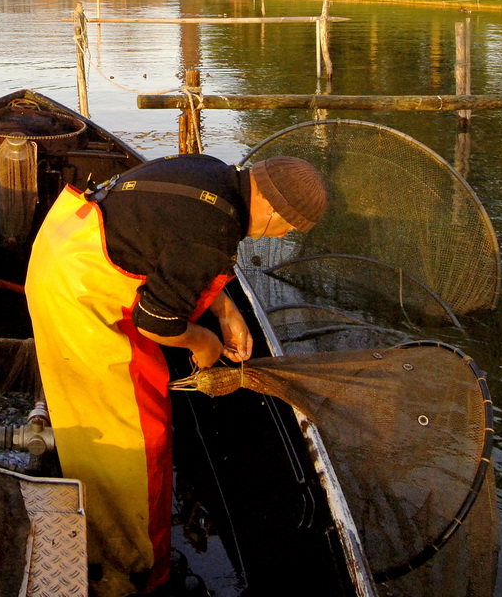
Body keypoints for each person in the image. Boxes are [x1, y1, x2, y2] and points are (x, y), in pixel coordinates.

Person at [25, 152, 327, 596]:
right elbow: (155, 321)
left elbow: (173, 239)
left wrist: (225, 311)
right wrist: (201, 341)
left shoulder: (215, 172)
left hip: (64, 243)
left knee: (122, 406)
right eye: (288, 228)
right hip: (79, 294)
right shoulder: (214, 235)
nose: (282, 235)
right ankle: (135, 567)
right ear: (274, 211)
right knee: (138, 439)